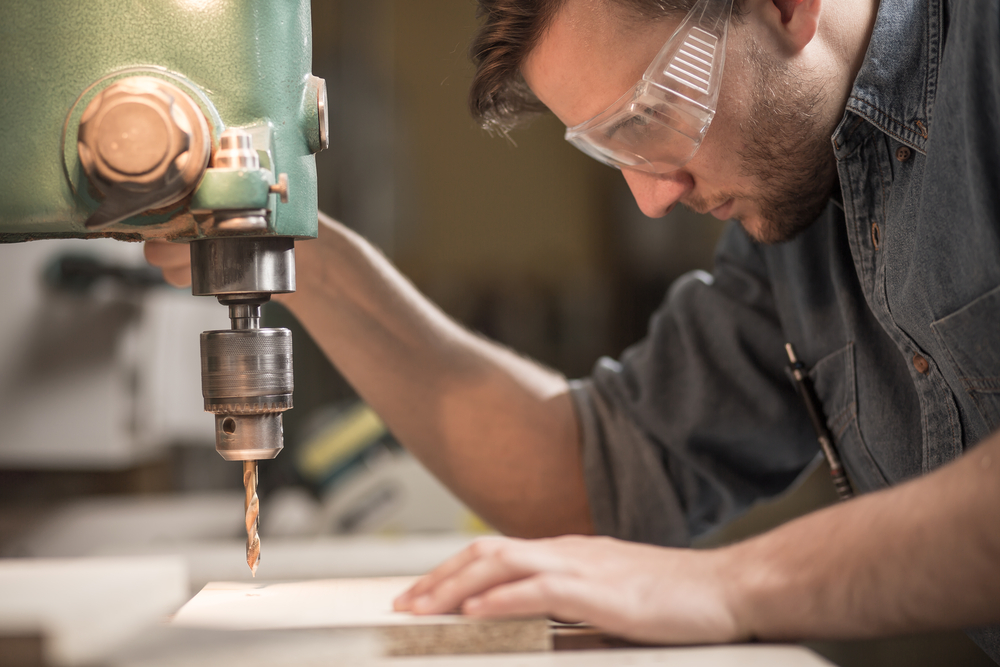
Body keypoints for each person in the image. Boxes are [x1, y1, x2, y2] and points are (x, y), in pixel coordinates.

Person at [146, 0, 1000, 658]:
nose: (654, 195)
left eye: (652, 120)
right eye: (610, 151)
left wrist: (733, 585)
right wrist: (305, 252)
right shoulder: (798, 220)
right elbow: (602, 469)